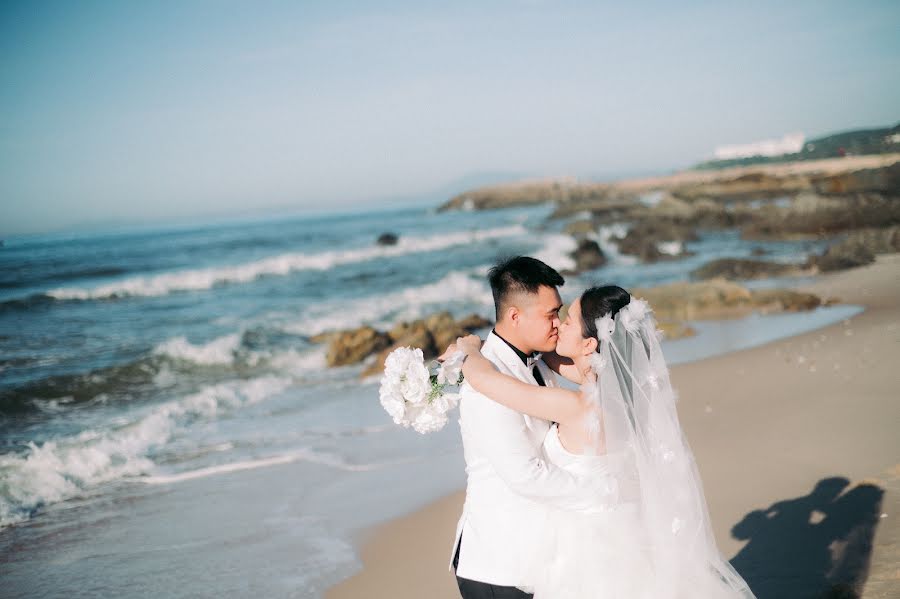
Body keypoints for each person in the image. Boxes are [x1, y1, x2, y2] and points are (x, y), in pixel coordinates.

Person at [443, 284, 757, 599]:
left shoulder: (576, 407)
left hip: (585, 552)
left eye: (567, 320)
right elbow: (563, 362)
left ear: (590, 342)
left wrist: (470, 350)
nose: (559, 325)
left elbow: (485, 380)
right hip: (624, 538)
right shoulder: (627, 397)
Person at [448, 256, 603, 599]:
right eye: (550, 314)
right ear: (515, 316)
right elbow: (525, 475)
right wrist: (599, 495)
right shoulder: (484, 383)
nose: (558, 324)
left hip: (541, 556)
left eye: (560, 313)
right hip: (500, 564)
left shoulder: (542, 360)